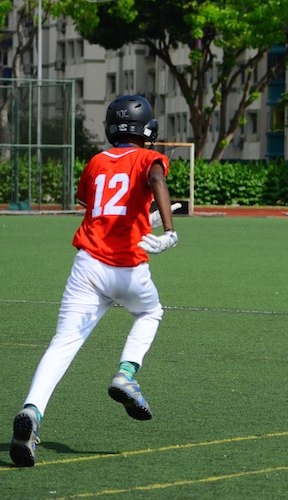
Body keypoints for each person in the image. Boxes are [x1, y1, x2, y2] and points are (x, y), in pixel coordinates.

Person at [9, 95, 179, 467]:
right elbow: (154, 177)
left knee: (62, 343)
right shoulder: (149, 157)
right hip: (128, 267)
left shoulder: (96, 162)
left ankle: (32, 411)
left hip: (87, 265)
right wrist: (167, 229)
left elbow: (105, 211)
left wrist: (142, 219)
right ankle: (126, 374)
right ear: (146, 129)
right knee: (150, 313)